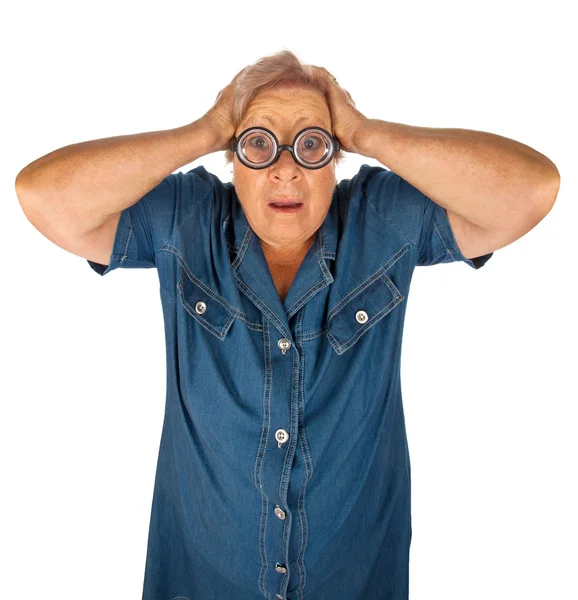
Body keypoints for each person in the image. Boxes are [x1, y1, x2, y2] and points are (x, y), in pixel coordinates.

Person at [15, 49, 559, 600]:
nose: (285, 168)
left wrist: (364, 130)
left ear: (333, 157)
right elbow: (44, 197)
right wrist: (205, 129)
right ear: (232, 158)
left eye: (311, 143)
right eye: (257, 143)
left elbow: (530, 191)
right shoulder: (187, 220)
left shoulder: (380, 218)